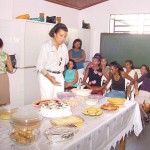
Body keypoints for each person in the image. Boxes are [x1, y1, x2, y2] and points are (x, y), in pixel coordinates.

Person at [36, 23, 69, 99]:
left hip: (59, 76)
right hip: (47, 76)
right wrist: (50, 77)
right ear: (55, 34)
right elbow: (39, 65)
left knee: (59, 100)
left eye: (65, 36)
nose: (63, 38)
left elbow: (66, 61)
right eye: (61, 35)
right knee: (47, 100)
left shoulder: (64, 47)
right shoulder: (46, 46)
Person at [0, 38, 13, 105]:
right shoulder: (5, 54)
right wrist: (4, 67)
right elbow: (11, 70)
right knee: (2, 100)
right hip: (2, 78)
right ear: (2, 45)